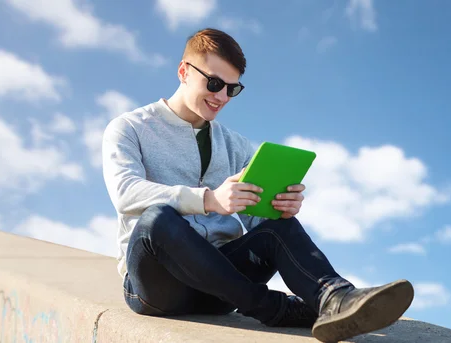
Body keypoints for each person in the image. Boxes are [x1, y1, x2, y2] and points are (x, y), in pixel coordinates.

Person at [102, 27, 414, 342]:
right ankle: (276, 308)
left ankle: (335, 299)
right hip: (158, 287)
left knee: (280, 228)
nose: (221, 97)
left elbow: (254, 218)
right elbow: (125, 193)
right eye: (214, 83)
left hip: (220, 290)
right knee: (157, 219)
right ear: (183, 71)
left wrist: (279, 208)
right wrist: (209, 200)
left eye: (232, 90)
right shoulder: (129, 128)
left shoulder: (236, 145)